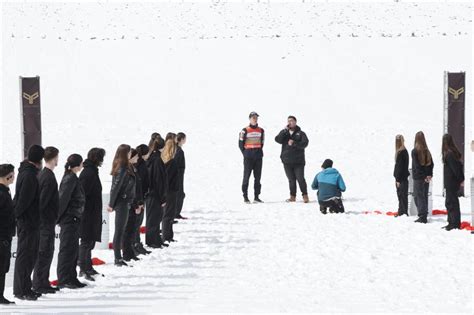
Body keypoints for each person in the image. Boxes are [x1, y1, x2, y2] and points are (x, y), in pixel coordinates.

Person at [13, 144, 44, 301]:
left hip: (28, 222)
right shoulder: (30, 175)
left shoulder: (25, 172)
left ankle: (25, 287)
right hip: (28, 223)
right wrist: (16, 217)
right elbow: (23, 201)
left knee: (28, 256)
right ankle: (21, 289)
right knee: (26, 256)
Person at [32, 146, 60, 294]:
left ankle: (42, 281)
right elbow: (43, 202)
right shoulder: (48, 177)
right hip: (45, 223)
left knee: (46, 252)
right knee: (45, 252)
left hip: (45, 222)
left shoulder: (44, 174)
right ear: (55, 158)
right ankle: (39, 282)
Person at [57, 154, 86, 289]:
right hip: (69, 219)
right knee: (67, 249)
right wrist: (58, 218)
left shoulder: (73, 177)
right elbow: (63, 200)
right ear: (78, 165)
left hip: (74, 218)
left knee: (73, 250)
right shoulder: (70, 178)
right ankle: (64, 278)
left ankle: (71, 276)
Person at [78, 148, 105, 280]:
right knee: (86, 241)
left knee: (90, 241)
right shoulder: (88, 173)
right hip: (87, 213)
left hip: (92, 212)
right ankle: (83, 267)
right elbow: (82, 194)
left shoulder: (92, 171)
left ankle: (87, 266)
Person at [108, 145, 136, 266]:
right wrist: (111, 204)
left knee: (121, 229)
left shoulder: (125, 166)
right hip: (122, 202)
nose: (131, 154)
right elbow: (115, 187)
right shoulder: (123, 168)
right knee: (119, 230)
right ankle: (117, 258)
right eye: (129, 152)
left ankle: (118, 257)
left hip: (125, 201)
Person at [275, 116, 310, 203]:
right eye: (289, 121)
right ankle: (292, 196)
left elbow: (305, 144)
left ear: (295, 122)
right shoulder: (285, 132)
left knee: (300, 178)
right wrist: (284, 131)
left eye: (292, 121)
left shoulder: (301, 133)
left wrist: (294, 143)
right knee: (291, 179)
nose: (290, 122)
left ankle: (305, 195)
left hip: (298, 161)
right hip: (287, 161)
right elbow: (277, 139)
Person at [146, 136, 168, 248]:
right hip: (155, 194)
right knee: (154, 219)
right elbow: (159, 181)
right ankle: (152, 241)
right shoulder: (157, 160)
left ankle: (155, 240)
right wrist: (163, 197)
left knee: (153, 218)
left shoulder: (150, 158)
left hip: (151, 194)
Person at [122, 149, 144, 262]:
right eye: (135, 157)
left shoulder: (132, 168)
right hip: (130, 204)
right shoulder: (126, 170)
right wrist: (136, 204)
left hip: (134, 203)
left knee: (132, 229)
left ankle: (130, 252)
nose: (137, 158)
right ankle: (127, 253)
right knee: (128, 230)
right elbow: (130, 190)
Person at [239, 111, 264, 203]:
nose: (255, 119)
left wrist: (257, 151)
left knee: (257, 177)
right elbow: (240, 144)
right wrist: (246, 153)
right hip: (248, 157)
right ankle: (245, 196)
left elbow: (262, 143)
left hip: (258, 157)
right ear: (249, 119)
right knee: (246, 177)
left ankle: (256, 196)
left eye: (256, 117)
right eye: (253, 117)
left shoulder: (261, 130)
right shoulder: (244, 130)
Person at [0, 164, 16, 305]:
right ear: (8, 176)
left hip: (5, 235)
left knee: (4, 267)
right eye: (13, 174)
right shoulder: (1, 193)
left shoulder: (5, 191)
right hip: (2, 236)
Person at [441, 134, 464, 231]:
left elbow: (456, 169)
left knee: (452, 203)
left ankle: (454, 223)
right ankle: (451, 222)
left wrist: (461, 179)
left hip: (451, 183)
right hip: (451, 183)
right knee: (449, 202)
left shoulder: (450, 154)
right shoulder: (450, 153)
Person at [411, 131, 434, 224]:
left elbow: (417, 166)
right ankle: (424, 214)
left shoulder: (414, 151)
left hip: (418, 178)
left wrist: (424, 176)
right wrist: (429, 175)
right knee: (424, 196)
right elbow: (431, 164)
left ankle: (422, 215)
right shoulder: (427, 151)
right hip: (426, 178)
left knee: (418, 196)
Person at [132, 144, 151, 256]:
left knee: (137, 223)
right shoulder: (141, 166)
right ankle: (136, 243)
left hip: (140, 197)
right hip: (139, 198)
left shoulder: (139, 165)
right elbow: (141, 184)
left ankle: (137, 243)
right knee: (137, 222)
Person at [162, 139, 178, 243]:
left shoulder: (164, 161)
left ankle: (168, 235)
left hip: (168, 190)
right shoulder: (172, 162)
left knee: (167, 214)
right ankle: (167, 235)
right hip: (171, 191)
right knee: (169, 214)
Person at [393, 135, 410, 217]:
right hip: (403, 178)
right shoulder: (403, 151)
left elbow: (400, 168)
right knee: (402, 196)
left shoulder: (401, 153)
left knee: (402, 196)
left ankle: (403, 212)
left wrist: (398, 179)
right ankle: (402, 211)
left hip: (401, 179)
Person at [175, 132, 187, 220]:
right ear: (182, 139)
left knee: (180, 194)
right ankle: (176, 212)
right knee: (180, 194)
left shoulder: (177, 149)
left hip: (179, 175)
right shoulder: (178, 151)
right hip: (178, 176)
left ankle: (176, 212)